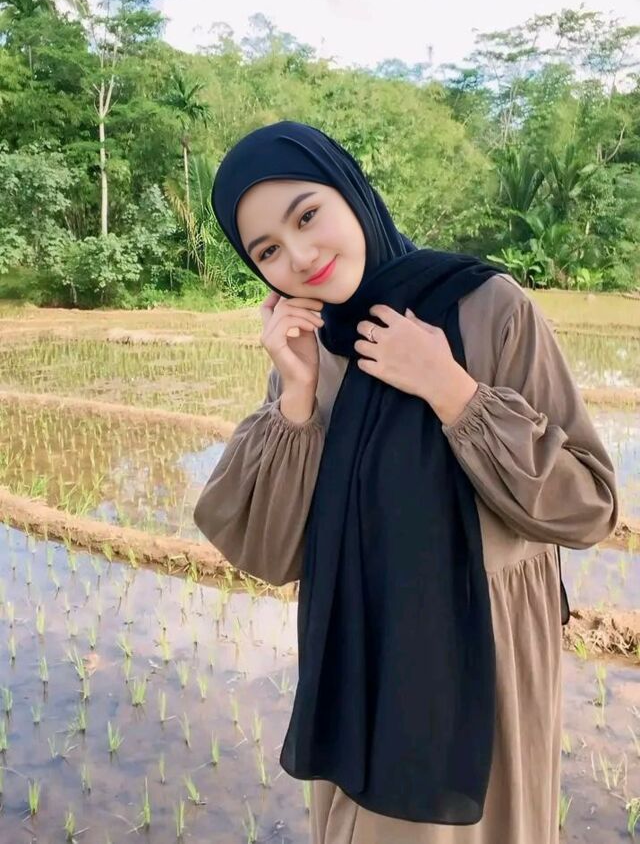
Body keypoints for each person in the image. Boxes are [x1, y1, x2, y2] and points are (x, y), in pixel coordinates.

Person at [193, 119, 618, 844]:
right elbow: (268, 552)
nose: (300, 256)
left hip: (480, 651)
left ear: (351, 192)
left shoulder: (489, 306)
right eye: (268, 250)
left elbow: (590, 508)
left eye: (307, 215)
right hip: (357, 651)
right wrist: (296, 397)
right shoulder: (310, 347)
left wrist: (453, 391)